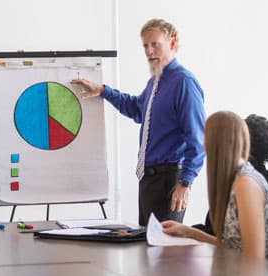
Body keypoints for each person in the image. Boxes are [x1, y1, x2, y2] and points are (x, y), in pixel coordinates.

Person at [71, 18, 206, 226]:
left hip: (169, 180)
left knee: (162, 251)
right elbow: (137, 110)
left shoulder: (184, 83)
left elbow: (197, 139)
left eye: (155, 44)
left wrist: (185, 183)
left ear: (172, 43)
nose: (149, 51)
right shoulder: (155, 81)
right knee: (147, 250)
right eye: (145, 45)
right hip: (149, 180)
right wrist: (104, 91)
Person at [162, 111, 268, 263]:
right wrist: (188, 232)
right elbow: (233, 247)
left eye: (205, 136)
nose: (202, 143)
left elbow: (254, 260)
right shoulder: (237, 179)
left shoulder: (245, 184)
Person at [192, 113, 268, 235]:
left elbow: (223, 236)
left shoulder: (245, 183)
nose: (203, 143)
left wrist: (191, 232)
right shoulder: (260, 177)